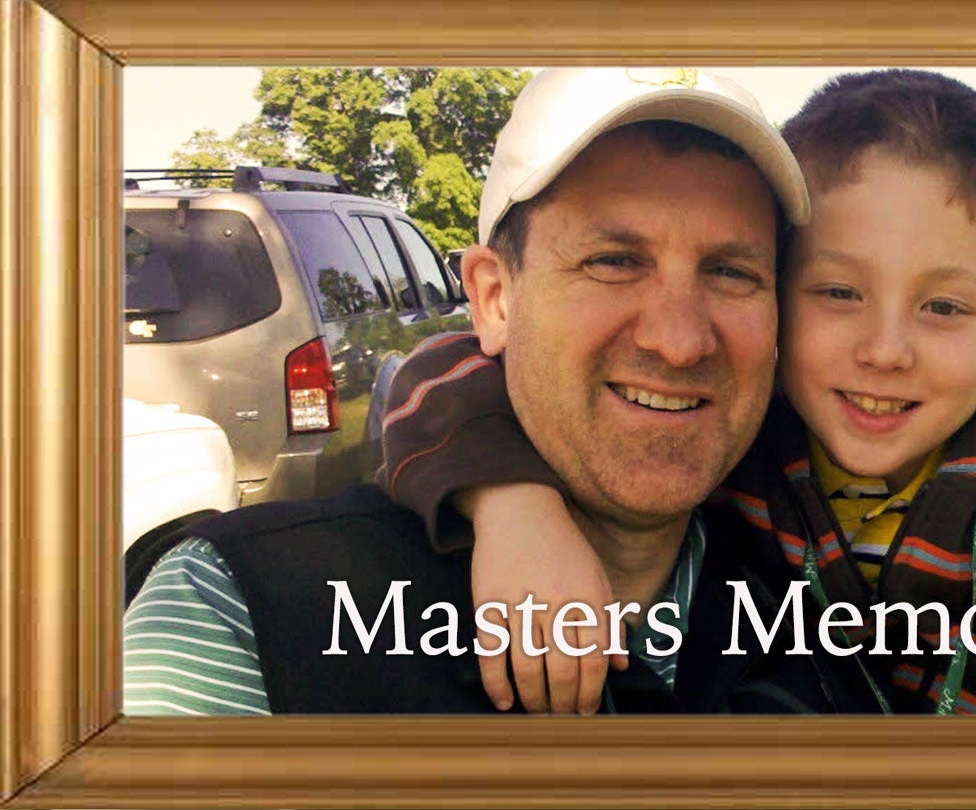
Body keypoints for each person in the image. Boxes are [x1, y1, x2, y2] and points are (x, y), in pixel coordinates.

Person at [380, 69, 976, 715]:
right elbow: (447, 368)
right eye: (837, 293)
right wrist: (513, 507)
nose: (884, 351)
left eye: (944, 305)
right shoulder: (746, 428)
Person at [121, 67, 880, 716]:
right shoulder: (248, 613)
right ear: (493, 298)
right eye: (613, 260)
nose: (679, 340)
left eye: (731, 272)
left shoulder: (834, 598)